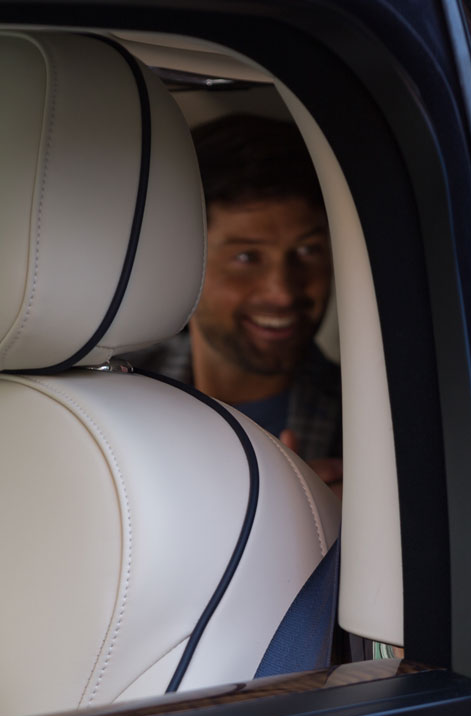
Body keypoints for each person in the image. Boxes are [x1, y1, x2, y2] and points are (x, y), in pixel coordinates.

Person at [133, 114, 342, 493]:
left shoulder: (377, 423)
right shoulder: (110, 400)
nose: (282, 292)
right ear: (182, 263)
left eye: (309, 250)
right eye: (247, 258)